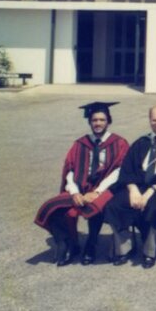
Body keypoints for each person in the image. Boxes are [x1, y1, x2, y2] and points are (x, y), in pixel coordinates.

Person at [34, 101, 130, 266]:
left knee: (93, 207)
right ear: (89, 122)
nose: (98, 123)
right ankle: (69, 244)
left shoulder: (119, 143)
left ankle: (91, 244)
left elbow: (119, 171)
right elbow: (70, 169)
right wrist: (74, 192)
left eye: (102, 119)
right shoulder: (80, 144)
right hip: (81, 188)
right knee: (52, 208)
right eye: (94, 120)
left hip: (105, 189)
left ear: (108, 121)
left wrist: (97, 191)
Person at [104, 105, 156, 268]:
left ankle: (149, 251)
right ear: (150, 120)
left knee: (154, 207)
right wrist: (133, 189)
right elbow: (127, 168)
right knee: (114, 205)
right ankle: (125, 247)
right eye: (154, 120)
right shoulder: (141, 142)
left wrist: (150, 192)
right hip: (138, 185)